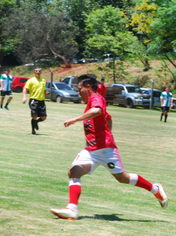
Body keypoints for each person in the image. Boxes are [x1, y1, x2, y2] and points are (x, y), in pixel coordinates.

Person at [50, 74, 168, 220]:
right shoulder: (91, 101)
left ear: (88, 87)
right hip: (92, 149)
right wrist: (105, 132)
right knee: (74, 172)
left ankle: (155, 189)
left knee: (122, 178)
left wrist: (75, 119)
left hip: (105, 149)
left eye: (79, 88)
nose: (78, 92)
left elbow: (98, 111)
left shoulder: (96, 99)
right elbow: (108, 117)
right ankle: (72, 209)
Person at [22, 68, 50, 135]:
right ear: (34, 72)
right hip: (34, 100)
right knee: (34, 115)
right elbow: (25, 89)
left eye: (39, 71)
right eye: (36, 71)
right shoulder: (31, 80)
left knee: (44, 117)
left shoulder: (43, 81)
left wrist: (46, 93)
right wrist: (24, 97)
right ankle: (33, 130)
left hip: (41, 101)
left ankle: (36, 122)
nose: (38, 72)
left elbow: (44, 90)